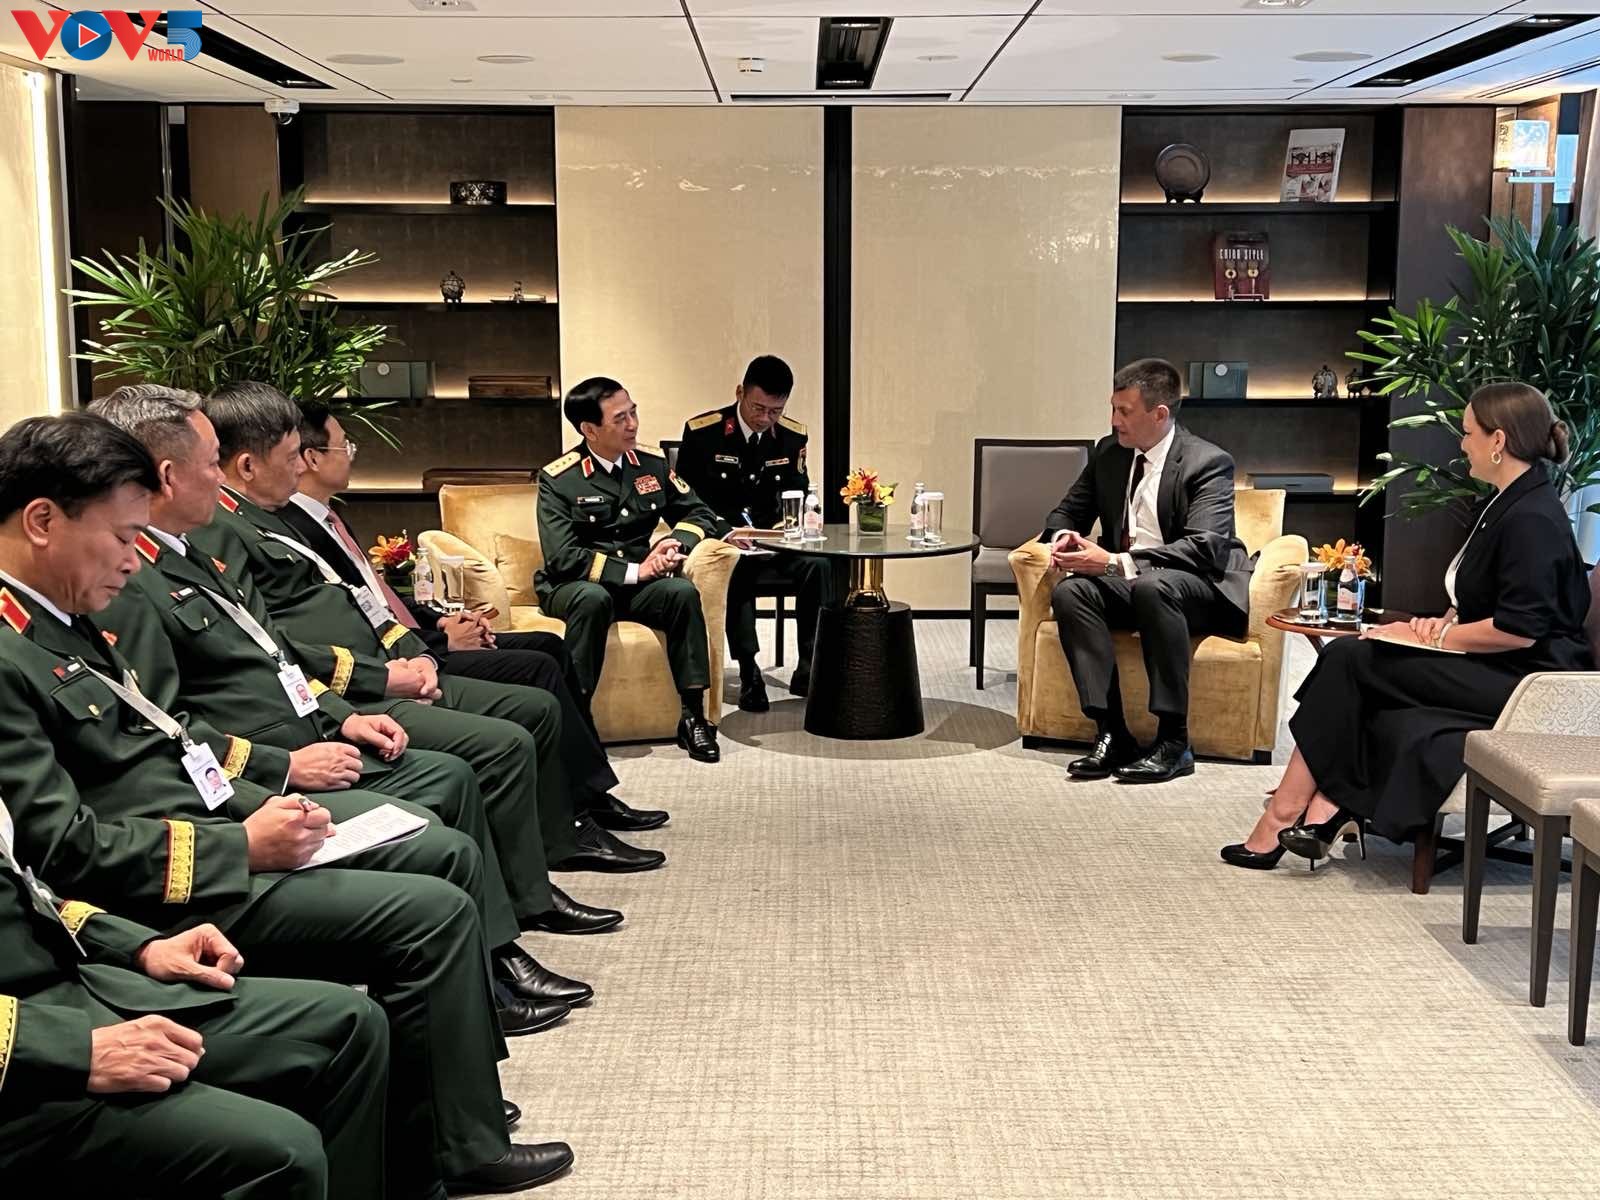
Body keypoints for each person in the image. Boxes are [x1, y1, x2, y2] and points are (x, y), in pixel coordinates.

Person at [0, 412, 573, 1195]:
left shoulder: (59, 621)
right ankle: (452, 1134)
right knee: (427, 908)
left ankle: (446, 1114)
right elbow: (62, 848)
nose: (134, 558)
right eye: (122, 536)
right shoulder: (24, 645)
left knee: (426, 870)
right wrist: (241, 838)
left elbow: (166, 744)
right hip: (154, 886)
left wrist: (258, 799)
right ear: (42, 522)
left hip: (175, 857)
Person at [87, 384, 620, 977]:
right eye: (212, 463)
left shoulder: (190, 551)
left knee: (465, 764)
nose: (221, 477)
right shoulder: (139, 575)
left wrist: (345, 715)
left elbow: (275, 655)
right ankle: (494, 953)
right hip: (259, 765)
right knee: (458, 796)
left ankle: (500, 942)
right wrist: (284, 767)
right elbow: (169, 727)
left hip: (314, 719)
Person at [186, 382, 662, 883]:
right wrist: (390, 677)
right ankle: (552, 853)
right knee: (518, 714)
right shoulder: (233, 528)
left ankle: (574, 817)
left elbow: (357, 605)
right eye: (292, 457)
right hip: (347, 691)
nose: (298, 468)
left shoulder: (273, 518)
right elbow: (272, 646)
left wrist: (422, 649)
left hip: (377, 670)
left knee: (540, 673)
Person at [1223, 382, 1594, 870]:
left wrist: (1435, 638)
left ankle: (1287, 813)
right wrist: (1433, 627)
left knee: (1351, 657)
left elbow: (1518, 629)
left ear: (1498, 441)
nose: (1462, 444)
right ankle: (1323, 807)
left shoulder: (1533, 518)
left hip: (1528, 682)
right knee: (1357, 661)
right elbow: (1482, 599)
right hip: (1499, 664)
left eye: (1468, 433)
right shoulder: (1509, 502)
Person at [285, 402, 666, 839]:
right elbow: (355, 624)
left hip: (416, 639)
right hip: (399, 662)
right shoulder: (296, 531)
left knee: (549, 645)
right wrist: (440, 643)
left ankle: (590, 793)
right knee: (538, 668)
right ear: (311, 458)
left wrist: (442, 622)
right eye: (345, 446)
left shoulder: (328, 517)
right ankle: (575, 816)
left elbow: (379, 599)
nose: (352, 454)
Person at [0, 843, 389, 1199]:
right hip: (24, 1053)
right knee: (285, 1153)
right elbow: (71, 841)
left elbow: (20, 886)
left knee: (349, 1021)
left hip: (70, 983)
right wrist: (69, 1046)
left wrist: (138, 946)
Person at [1040, 357, 1255, 784]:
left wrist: (1115, 562)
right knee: (1071, 592)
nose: (1114, 421)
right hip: (1135, 583)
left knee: (1153, 587)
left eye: (1124, 411)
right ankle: (1111, 732)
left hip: (1196, 587)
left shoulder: (1207, 462)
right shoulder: (1110, 452)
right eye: (1113, 408)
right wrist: (1063, 536)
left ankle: (1174, 741)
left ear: (1159, 413)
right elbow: (1067, 511)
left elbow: (1205, 548)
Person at [535, 376, 733, 763]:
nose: (632, 424)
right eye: (620, 418)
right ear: (589, 430)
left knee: (680, 593)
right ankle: (578, 720)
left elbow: (699, 513)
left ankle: (693, 716)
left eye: (633, 412)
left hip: (638, 583)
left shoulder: (651, 465)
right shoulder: (559, 479)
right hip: (575, 585)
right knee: (592, 599)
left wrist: (674, 544)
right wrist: (637, 572)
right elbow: (563, 557)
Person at [675, 354, 835, 711]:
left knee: (820, 565)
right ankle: (749, 670)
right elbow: (686, 499)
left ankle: (810, 665)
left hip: (771, 541)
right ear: (740, 394)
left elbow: (796, 494)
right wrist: (727, 532)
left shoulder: (792, 436)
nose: (765, 419)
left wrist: (784, 529)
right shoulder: (703, 433)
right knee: (735, 567)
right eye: (758, 408)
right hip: (724, 541)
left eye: (775, 411)